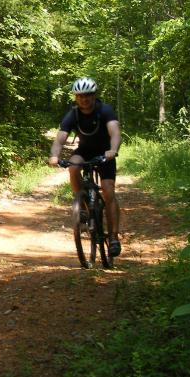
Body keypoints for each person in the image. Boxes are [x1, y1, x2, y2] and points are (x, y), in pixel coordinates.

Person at [48, 77, 123, 257]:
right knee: (73, 167)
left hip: (105, 153)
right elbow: (60, 138)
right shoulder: (73, 114)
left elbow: (115, 132)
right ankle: (82, 204)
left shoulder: (105, 110)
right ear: (76, 97)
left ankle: (113, 237)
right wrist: (54, 155)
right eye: (80, 96)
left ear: (94, 95)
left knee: (108, 191)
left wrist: (113, 149)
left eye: (88, 95)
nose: (84, 99)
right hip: (85, 151)